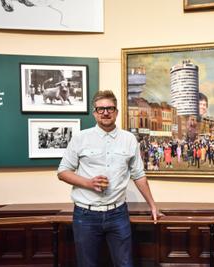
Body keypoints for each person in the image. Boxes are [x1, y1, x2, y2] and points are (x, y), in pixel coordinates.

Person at [57, 90, 162, 267]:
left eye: (110, 108)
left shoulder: (129, 139)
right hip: (85, 215)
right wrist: (88, 183)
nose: (105, 112)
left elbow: (139, 175)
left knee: (125, 264)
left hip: (118, 214)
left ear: (116, 112)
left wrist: (152, 205)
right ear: (94, 112)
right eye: (101, 109)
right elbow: (62, 172)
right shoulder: (80, 138)